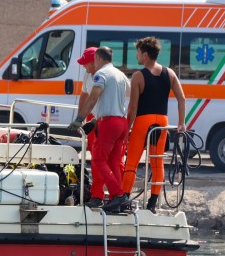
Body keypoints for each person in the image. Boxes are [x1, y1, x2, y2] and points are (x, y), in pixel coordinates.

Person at [122, 36, 187, 212]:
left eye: (138, 53)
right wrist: (181, 123)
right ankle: (153, 203)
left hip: (144, 120)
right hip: (162, 122)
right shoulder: (170, 73)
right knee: (157, 163)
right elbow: (182, 98)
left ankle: (124, 199)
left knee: (132, 162)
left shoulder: (138, 76)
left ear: (144, 54)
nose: (136, 56)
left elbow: (133, 107)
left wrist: (127, 128)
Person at [68, 46, 130, 212]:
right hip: (121, 122)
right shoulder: (121, 75)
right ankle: (119, 199)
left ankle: (117, 195)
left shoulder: (100, 74)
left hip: (108, 122)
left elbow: (93, 97)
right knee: (114, 163)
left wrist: (80, 118)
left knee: (98, 160)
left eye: (94, 60)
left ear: (99, 59)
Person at [75, 46, 102, 202]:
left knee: (102, 157)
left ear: (95, 61)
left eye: (86, 63)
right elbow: (84, 96)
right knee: (94, 154)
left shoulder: (103, 76)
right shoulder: (88, 75)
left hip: (102, 117)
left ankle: (104, 192)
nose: (84, 66)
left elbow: (92, 99)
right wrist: (80, 119)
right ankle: (96, 190)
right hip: (92, 116)